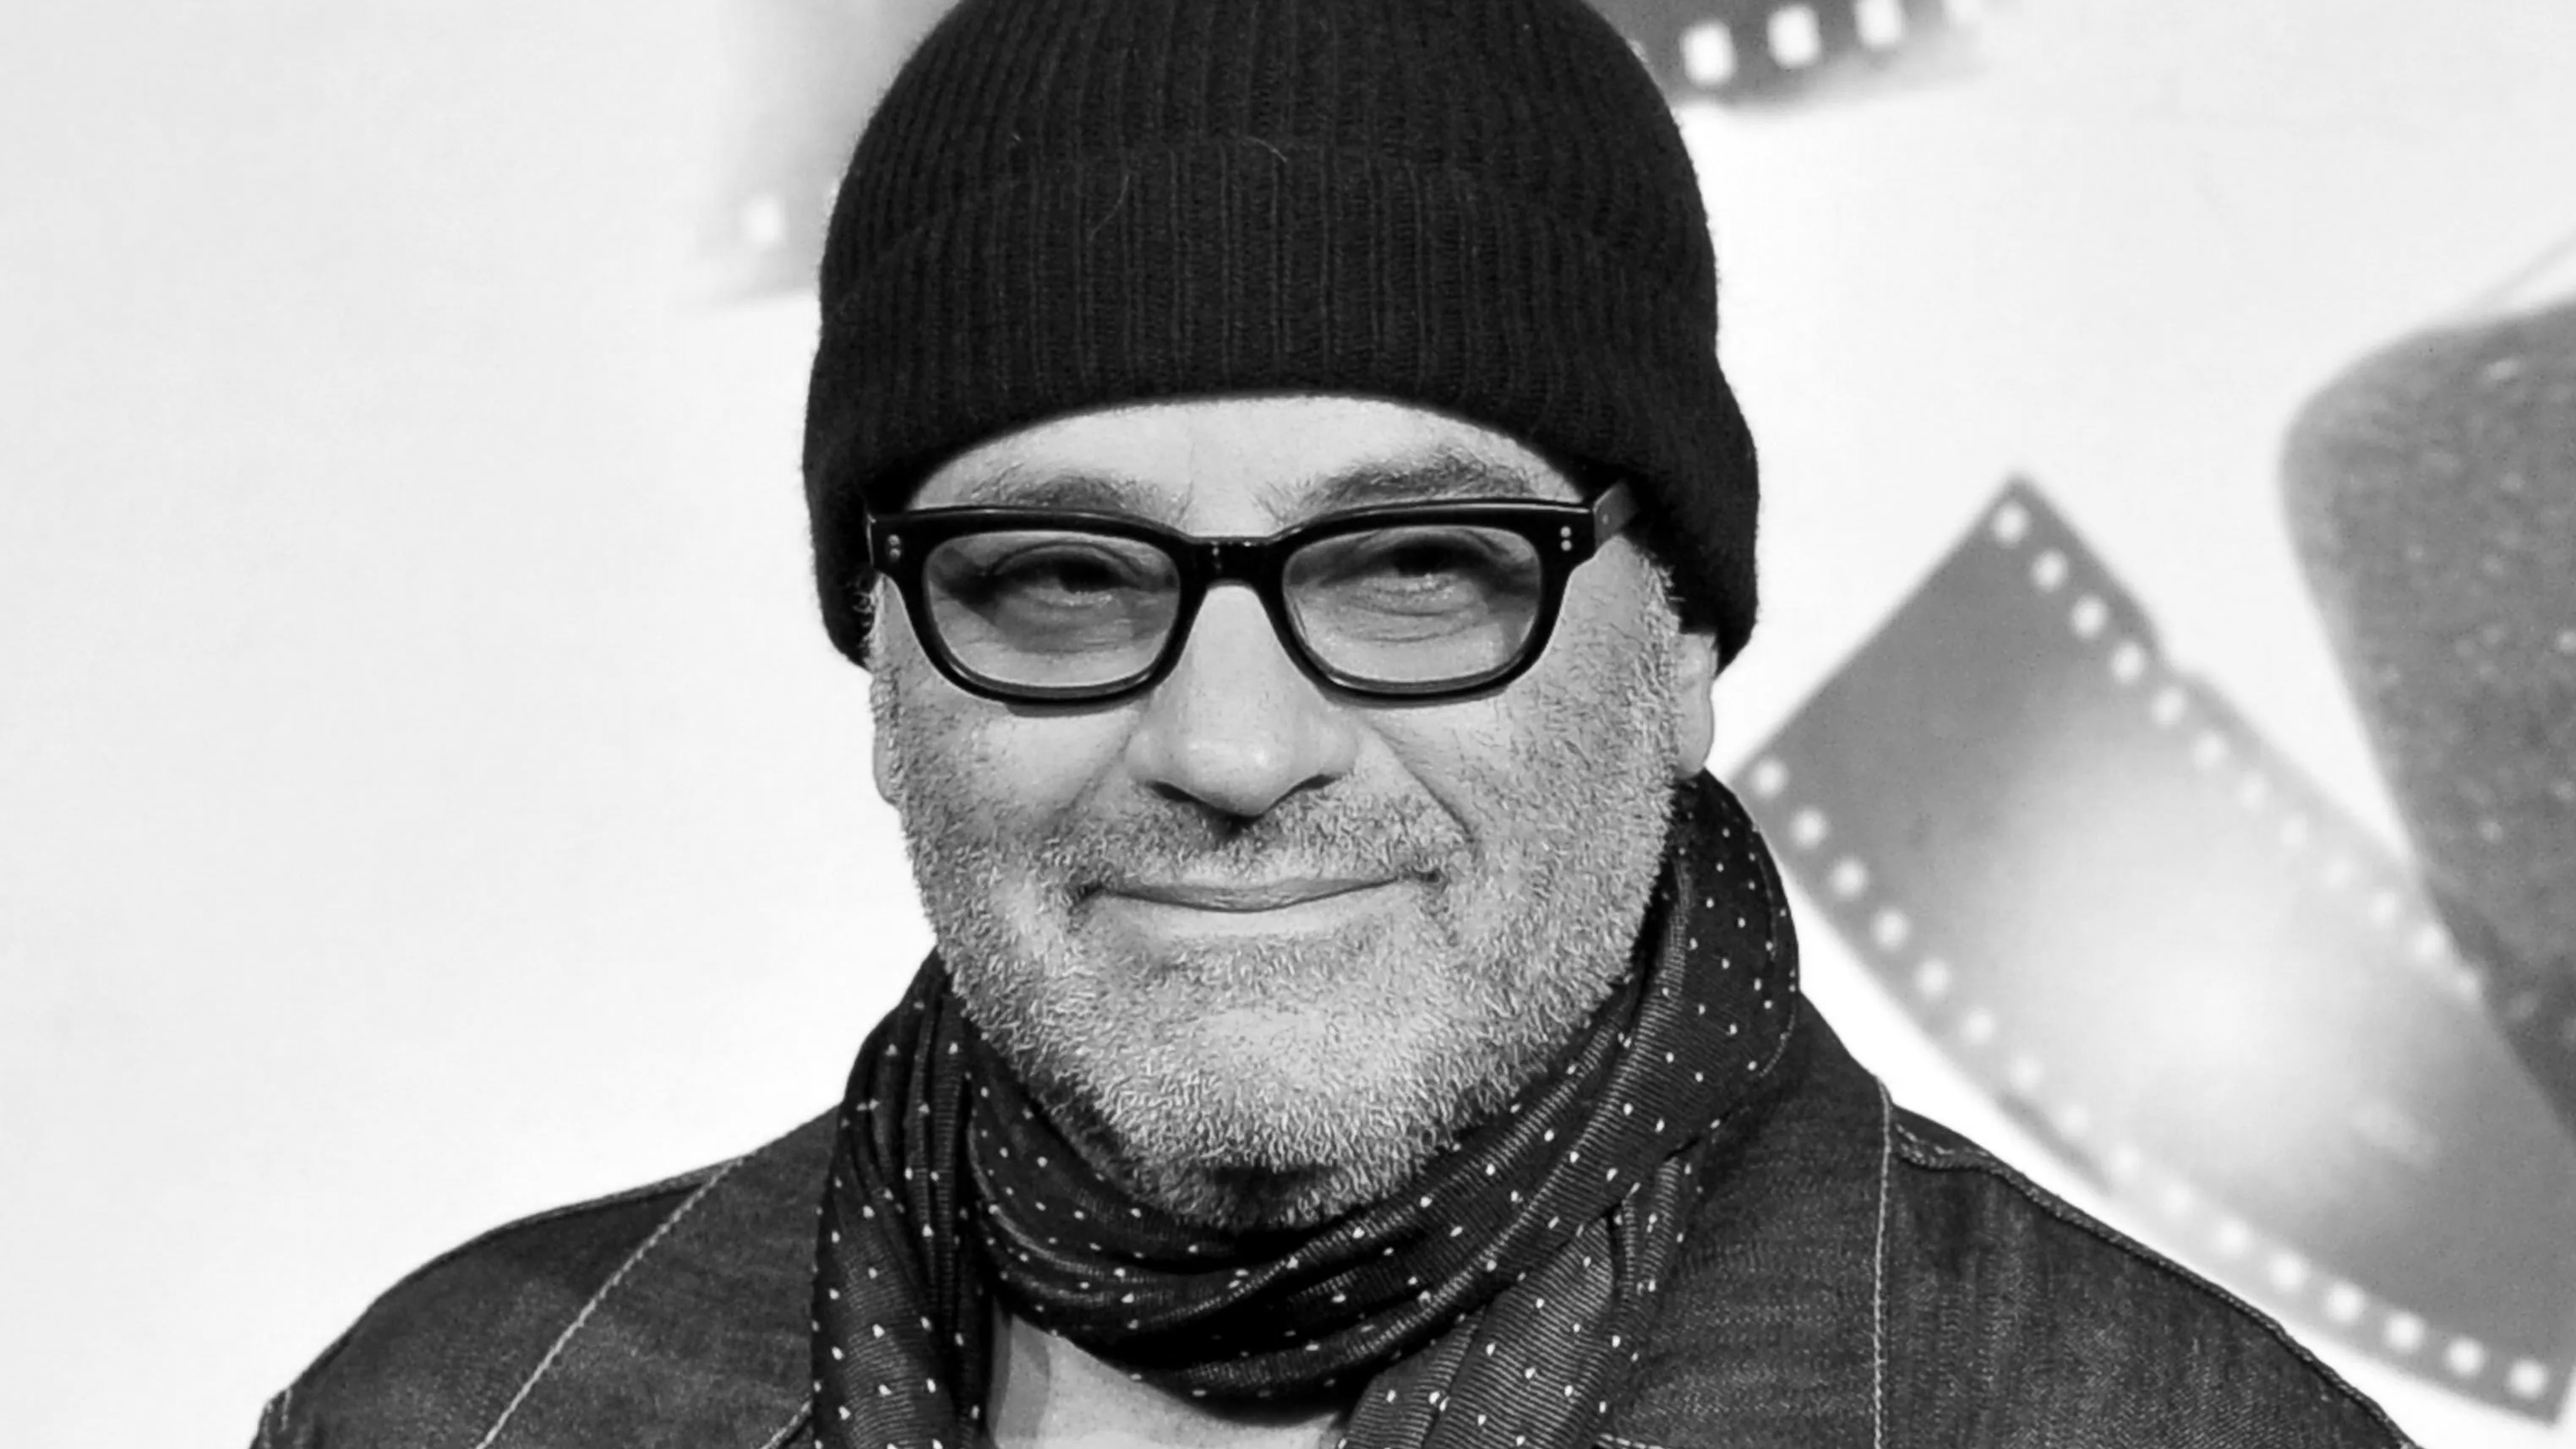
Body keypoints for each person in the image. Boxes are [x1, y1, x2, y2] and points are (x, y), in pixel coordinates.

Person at [252, 0, 2410, 1444]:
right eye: (1064, 580)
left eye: (1414, 570)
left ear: (1680, 644)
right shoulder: (461, 1409)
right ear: (888, 668)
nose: (1232, 746)